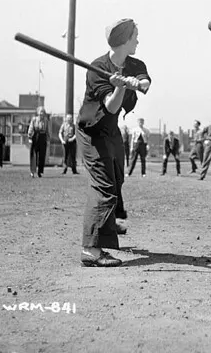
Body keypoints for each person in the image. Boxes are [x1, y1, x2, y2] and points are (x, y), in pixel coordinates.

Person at [77, 18, 151, 268]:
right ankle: (91, 250)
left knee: (117, 178)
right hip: (92, 130)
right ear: (123, 40)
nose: (138, 41)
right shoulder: (97, 67)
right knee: (104, 186)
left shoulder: (135, 63)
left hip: (111, 131)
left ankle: (110, 224)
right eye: (135, 37)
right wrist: (119, 86)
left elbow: (145, 82)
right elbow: (110, 107)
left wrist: (136, 83)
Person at [28, 106, 49, 178]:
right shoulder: (34, 119)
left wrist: (48, 140)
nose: (41, 114)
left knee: (42, 155)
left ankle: (40, 172)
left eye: (43, 112)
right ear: (38, 112)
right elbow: (31, 128)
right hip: (35, 137)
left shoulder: (46, 120)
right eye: (40, 112)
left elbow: (48, 131)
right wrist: (30, 137)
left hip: (43, 137)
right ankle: (32, 171)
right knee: (33, 155)